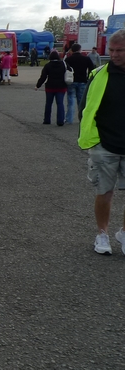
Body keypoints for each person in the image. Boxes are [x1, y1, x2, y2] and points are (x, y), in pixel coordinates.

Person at [78, 30, 125, 255]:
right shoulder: (98, 74)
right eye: (112, 50)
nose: (114, 55)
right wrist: (94, 140)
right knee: (104, 191)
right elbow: (84, 107)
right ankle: (102, 233)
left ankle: (123, 232)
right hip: (104, 145)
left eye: (120, 51)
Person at [64, 43, 96, 124]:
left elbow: (64, 70)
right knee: (81, 101)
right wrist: (88, 77)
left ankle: (69, 119)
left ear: (72, 50)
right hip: (82, 81)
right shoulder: (86, 59)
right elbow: (92, 69)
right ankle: (82, 118)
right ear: (80, 49)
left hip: (71, 81)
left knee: (71, 101)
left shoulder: (68, 59)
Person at [34, 51, 67, 125]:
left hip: (50, 87)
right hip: (61, 86)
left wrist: (38, 85)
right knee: (60, 103)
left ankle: (47, 120)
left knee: (48, 103)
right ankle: (60, 121)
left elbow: (43, 77)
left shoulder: (47, 65)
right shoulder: (63, 64)